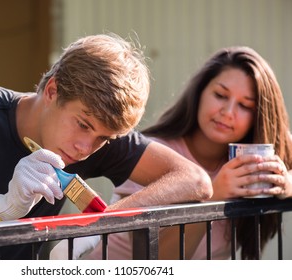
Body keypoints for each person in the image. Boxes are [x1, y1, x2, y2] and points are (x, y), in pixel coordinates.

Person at [0, 33, 212, 259]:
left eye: (103, 138)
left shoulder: (97, 135)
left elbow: (195, 180)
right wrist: (1, 207)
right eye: (83, 125)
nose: (84, 148)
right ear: (52, 90)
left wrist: (99, 223)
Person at [80, 46, 292, 260]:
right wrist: (213, 197)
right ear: (200, 92)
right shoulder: (154, 154)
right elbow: (154, 262)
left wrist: (286, 184)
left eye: (245, 106)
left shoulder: (252, 160)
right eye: (220, 95)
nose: (227, 113)